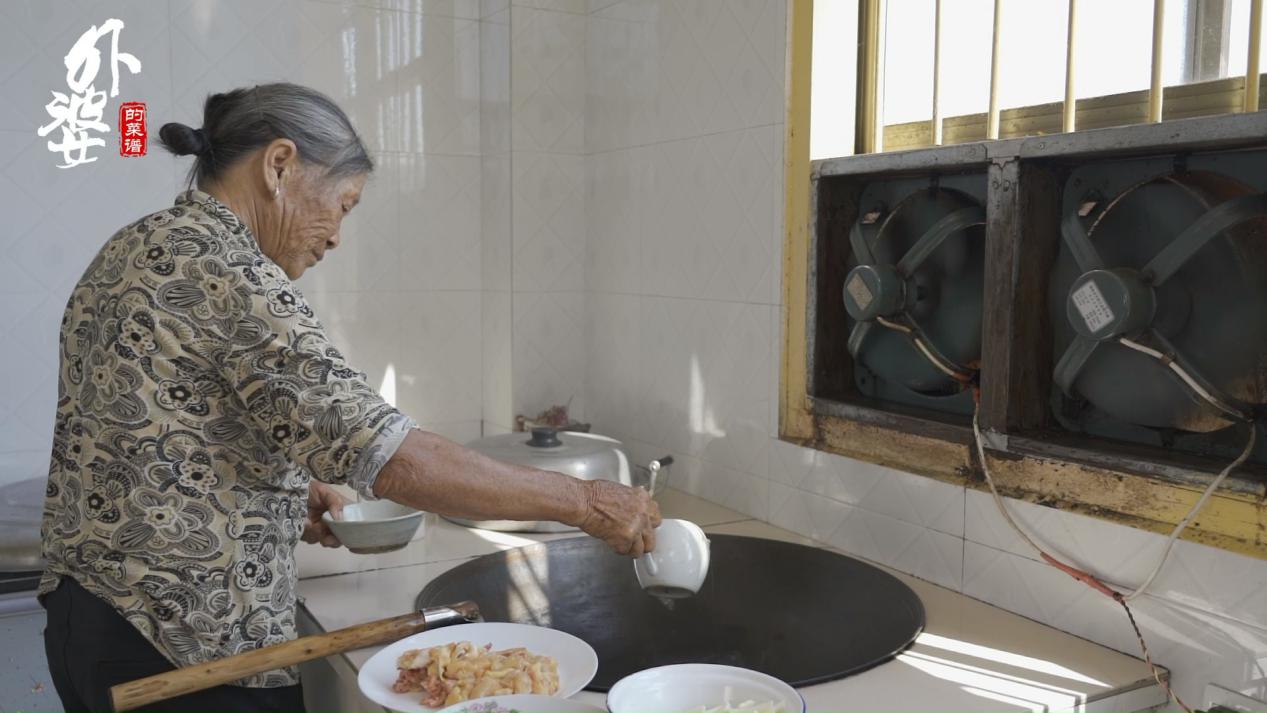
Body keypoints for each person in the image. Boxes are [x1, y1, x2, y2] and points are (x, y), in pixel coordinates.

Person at [39, 82, 661, 713]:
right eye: (343, 204)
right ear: (279, 166)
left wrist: (279, 491)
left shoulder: (140, 243)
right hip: (184, 650)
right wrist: (586, 501)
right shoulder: (229, 271)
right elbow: (390, 456)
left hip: (94, 619)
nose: (336, 235)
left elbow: (154, 422)